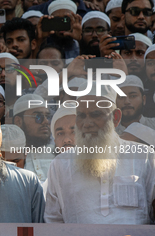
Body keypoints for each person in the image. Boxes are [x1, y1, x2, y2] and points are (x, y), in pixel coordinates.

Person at [44, 83, 155, 224]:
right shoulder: (60, 164)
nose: (87, 123)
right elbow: (53, 221)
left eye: (96, 114)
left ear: (115, 118)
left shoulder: (144, 156)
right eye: (81, 115)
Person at [13, 94, 55, 182]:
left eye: (48, 117)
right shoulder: (10, 156)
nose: (46, 121)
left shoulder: (58, 151)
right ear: (18, 121)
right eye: (38, 117)